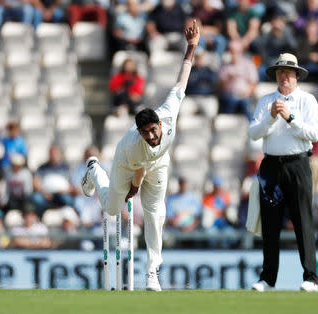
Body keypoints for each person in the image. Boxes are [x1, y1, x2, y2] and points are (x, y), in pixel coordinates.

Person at [81, 20, 200, 291]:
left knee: (155, 214)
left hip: (158, 164)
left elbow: (181, 82)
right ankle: (94, 169)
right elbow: (137, 177)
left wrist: (190, 48)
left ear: (159, 123)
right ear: (139, 131)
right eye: (146, 132)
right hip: (129, 163)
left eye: (153, 129)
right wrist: (132, 189)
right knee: (112, 208)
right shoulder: (135, 144)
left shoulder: (168, 114)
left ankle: (152, 272)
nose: (152, 135)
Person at [249, 53, 318, 292]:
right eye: (280, 73)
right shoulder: (265, 101)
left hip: (298, 165)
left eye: (288, 73)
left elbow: (314, 135)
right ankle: (268, 279)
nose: (284, 77)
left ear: (296, 76)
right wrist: (271, 117)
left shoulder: (307, 100)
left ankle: (310, 277)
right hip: (271, 166)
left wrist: (290, 118)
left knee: (303, 221)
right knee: (270, 225)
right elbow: (254, 133)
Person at [218, 40, 258, 120]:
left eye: (236, 51)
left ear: (241, 52)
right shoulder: (224, 66)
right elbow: (219, 87)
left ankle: (252, 126)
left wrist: (244, 93)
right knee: (230, 101)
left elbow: (253, 85)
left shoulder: (248, 65)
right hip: (228, 96)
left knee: (245, 103)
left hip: (244, 96)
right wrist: (228, 79)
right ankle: (227, 126)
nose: (234, 54)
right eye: (231, 51)